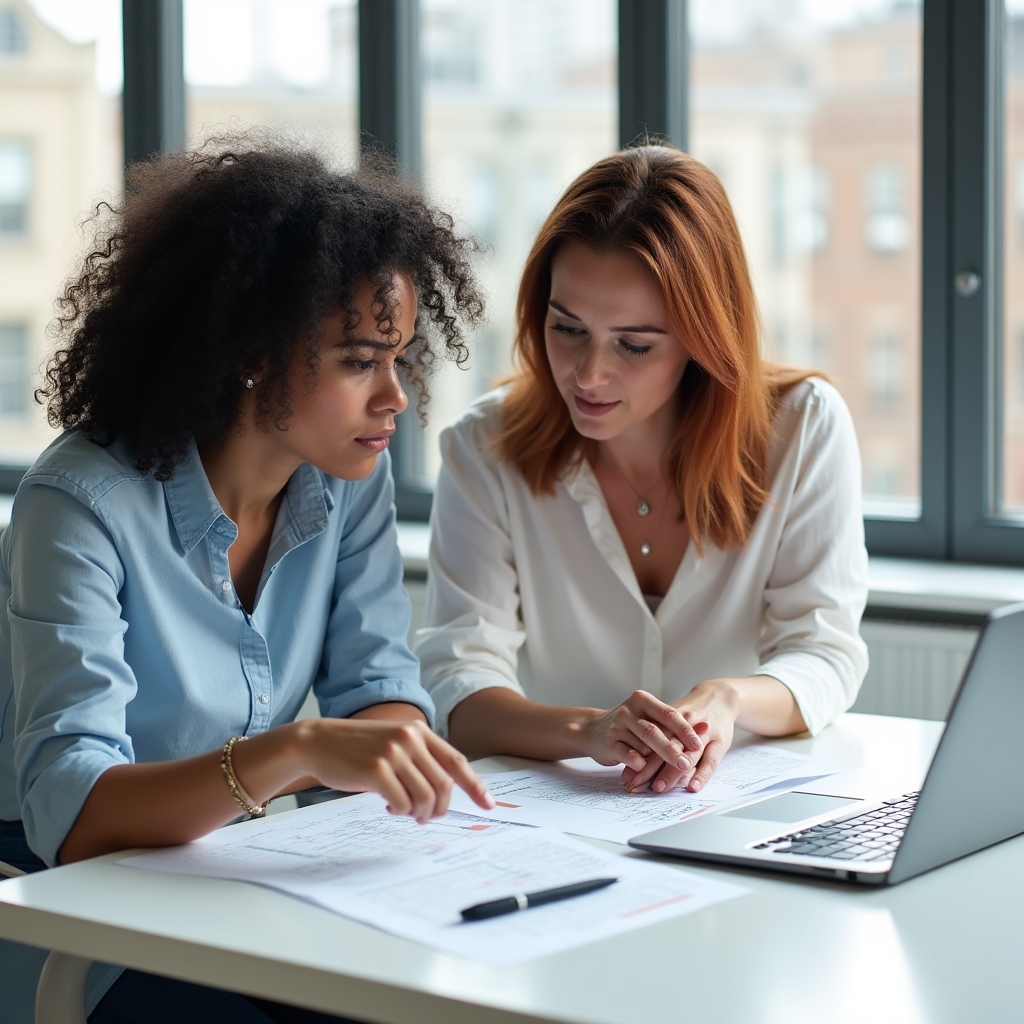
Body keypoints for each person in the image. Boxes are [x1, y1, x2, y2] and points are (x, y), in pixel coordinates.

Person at [0, 143, 494, 1024]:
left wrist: (388, 744)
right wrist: (298, 751)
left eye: (400, 357)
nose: (397, 399)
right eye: (357, 360)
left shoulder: (349, 478)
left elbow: (380, 688)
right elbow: (69, 813)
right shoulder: (80, 505)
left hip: (258, 884)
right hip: (97, 915)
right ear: (251, 353)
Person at [416, 143, 869, 798]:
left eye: (633, 344)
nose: (590, 374)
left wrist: (727, 700)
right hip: (561, 818)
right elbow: (459, 686)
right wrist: (589, 731)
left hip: (731, 803)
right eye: (567, 328)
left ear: (704, 334)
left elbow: (825, 653)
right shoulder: (483, 449)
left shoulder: (802, 428)